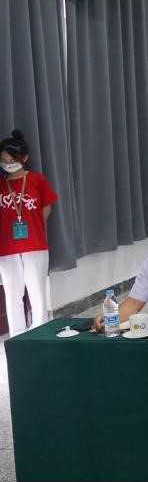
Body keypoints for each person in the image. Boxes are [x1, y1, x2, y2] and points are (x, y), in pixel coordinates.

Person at [0, 130, 56, 335]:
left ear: (24, 158)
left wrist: (35, 226)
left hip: (35, 244)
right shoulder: (1, 183)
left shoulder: (37, 180)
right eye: (4, 161)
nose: (8, 164)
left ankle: (40, 331)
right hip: (6, 247)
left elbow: (47, 207)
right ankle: (17, 334)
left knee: (37, 290)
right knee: (12, 292)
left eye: (12, 160)